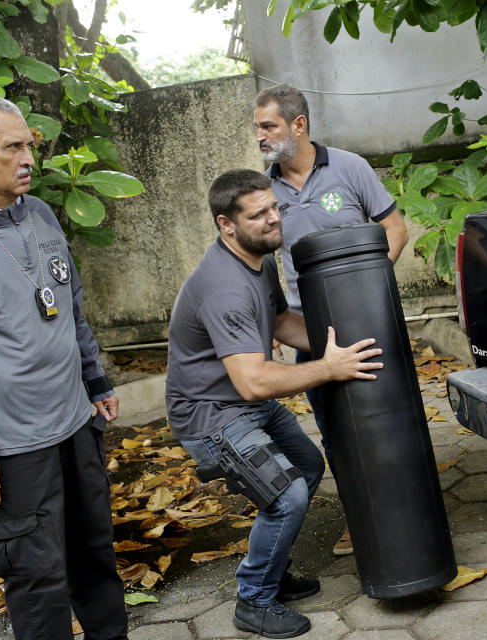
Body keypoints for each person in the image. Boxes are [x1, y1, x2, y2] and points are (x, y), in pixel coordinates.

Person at [0, 93, 126, 639]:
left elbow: (70, 305)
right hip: (11, 446)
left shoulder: (41, 213)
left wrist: (95, 379)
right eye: (12, 147)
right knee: (37, 578)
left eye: (29, 145)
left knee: (96, 555)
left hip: (76, 424)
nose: (29, 157)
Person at [165, 169, 383, 638]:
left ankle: (270, 569)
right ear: (226, 224)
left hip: (239, 402)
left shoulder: (258, 260)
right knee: (287, 494)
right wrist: (329, 369)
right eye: (258, 214)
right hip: (211, 416)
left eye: (274, 208)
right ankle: (254, 600)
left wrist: (338, 348)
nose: (273, 220)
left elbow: (282, 319)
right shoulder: (224, 286)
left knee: (305, 465)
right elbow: (255, 382)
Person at [253, 84, 409, 556]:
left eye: (269, 126)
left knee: (392, 421)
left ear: (298, 125)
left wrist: (370, 289)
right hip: (311, 332)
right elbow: (262, 263)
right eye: (257, 127)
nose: (260, 136)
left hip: (370, 320)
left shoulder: (350, 167)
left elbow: (394, 229)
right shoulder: (266, 190)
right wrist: (271, 328)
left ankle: (408, 504)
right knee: (339, 429)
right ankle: (359, 516)